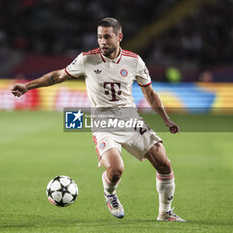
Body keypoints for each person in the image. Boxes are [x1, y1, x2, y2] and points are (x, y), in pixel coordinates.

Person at [11, 18, 185, 222]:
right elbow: (57, 76)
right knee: (116, 170)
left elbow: (150, 94)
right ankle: (110, 193)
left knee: (164, 163)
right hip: (103, 124)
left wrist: (166, 120)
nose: (102, 42)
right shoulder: (87, 59)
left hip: (130, 121)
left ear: (119, 37)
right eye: (99, 37)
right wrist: (27, 86)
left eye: (107, 37)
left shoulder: (134, 61)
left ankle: (165, 213)